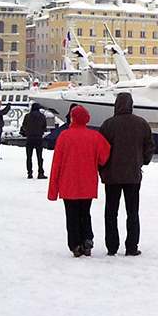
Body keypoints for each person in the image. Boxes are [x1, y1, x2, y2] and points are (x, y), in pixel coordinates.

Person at [47, 106, 110, 257]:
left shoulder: (64, 136)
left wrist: (52, 191)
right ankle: (87, 238)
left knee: (72, 215)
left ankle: (75, 244)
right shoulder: (95, 136)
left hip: (68, 184)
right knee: (85, 213)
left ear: (72, 118)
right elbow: (104, 157)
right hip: (88, 183)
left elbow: (57, 164)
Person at [97, 93, 155, 257]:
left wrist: (102, 168)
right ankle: (131, 246)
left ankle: (112, 246)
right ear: (131, 105)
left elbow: (101, 150)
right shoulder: (141, 123)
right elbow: (149, 146)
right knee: (132, 212)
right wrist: (142, 161)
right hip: (133, 175)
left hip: (112, 176)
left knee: (111, 212)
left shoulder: (108, 125)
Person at [20, 102, 48, 179]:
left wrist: (27, 131)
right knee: (39, 156)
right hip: (39, 138)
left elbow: (24, 126)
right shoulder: (42, 116)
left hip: (29, 138)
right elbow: (44, 127)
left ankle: (30, 173)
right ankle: (40, 173)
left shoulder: (27, 116)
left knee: (29, 157)